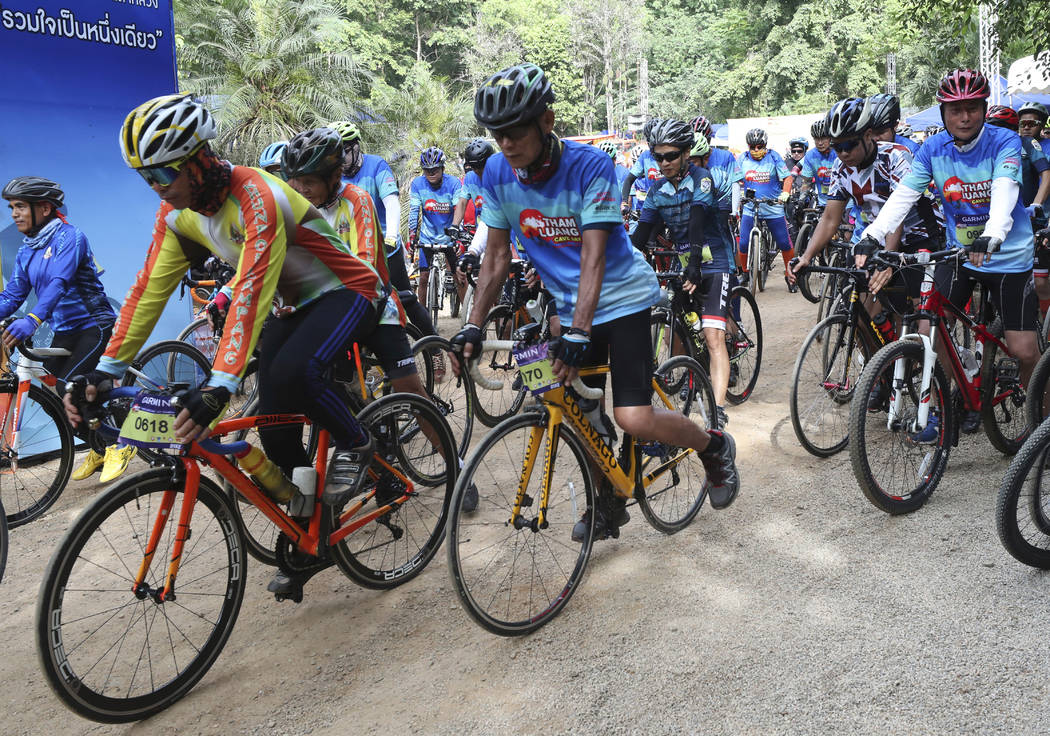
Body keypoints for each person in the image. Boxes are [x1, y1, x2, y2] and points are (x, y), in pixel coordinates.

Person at [65, 94, 390, 532]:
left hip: (347, 289)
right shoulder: (176, 215)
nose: (157, 186)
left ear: (199, 159)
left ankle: (357, 440)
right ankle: (315, 522)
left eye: (164, 171)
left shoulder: (258, 193)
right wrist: (106, 368)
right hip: (291, 305)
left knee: (298, 372)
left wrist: (219, 384)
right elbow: (147, 292)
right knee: (275, 429)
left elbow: (253, 289)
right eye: (146, 178)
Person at [453, 63, 739, 540]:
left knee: (632, 416)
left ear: (546, 121)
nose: (505, 143)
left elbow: (594, 257)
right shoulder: (500, 173)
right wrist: (473, 324)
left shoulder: (592, 167)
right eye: (496, 133)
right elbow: (497, 256)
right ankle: (608, 498)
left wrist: (579, 331)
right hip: (567, 305)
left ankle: (712, 446)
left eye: (515, 131)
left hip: (620, 298)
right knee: (562, 399)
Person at [281, 127, 479, 511]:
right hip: (326, 313)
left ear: (332, 176)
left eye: (308, 181)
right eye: (295, 181)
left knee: (409, 390)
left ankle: (457, 465)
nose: (300, 189)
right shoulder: (295, 206)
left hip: (374, 307)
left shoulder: (355, 200)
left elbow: (365, 263)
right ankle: (374, 464)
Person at [861, 69, 1040, 399]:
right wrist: (873, 234)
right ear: (943, 112)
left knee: (1025, 351)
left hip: (1008, 257)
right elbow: (904, 194)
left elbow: (1005, 187)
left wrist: (993, 233)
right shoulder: (932, 148)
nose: (965, 117)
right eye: (955, 110)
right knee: (930, 330)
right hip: (960, 255)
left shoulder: (1005, 141)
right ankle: (954, 389)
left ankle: (1039, 421)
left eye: (973, 107)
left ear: (984, 109)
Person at [0, 177, 125, 481]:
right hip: (65, 329)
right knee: (58, 390)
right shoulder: (27, 249)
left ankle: (119, 444)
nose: (14, 213)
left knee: (73, 386)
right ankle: (97, 446)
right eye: (11, 207)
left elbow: (58, 283)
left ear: (44, 208)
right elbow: (13, 294)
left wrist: (31, 320)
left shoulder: (71, 238)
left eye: (20, 206)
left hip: (93, 324)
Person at [631, 120, 733, 428]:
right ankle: (691, 371)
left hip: (714, 260)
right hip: (683, 261)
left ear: (687, 153)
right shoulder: (656, 190)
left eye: (671, 156)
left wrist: (694, 265)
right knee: (674, 327)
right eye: (658, 156)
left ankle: (717, 410)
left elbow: (697, 223)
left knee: (713, 337)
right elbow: (641, 232)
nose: (664, 163)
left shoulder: (702, 178)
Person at [327, 120, 436, 336]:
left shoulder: (376, 165)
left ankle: (434, 349)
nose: (341, 160)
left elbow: (391, 203)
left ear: (356, 147)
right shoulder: (332, 175)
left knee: (405, 298)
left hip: (384, 247)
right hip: (349, 251)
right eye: (335, 154)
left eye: (345, 152)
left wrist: (392, 236)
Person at [734, 128, 795, 283]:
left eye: (759, 146)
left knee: (784, 242)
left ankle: (790, 275)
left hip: (773, 206)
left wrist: (785, 193)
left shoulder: (773, 157)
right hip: (750, 206)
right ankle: (746, 273)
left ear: (765, 145)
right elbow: (734, 180)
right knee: (743, 243)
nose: (756, 150)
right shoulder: (743, 158)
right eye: (752, 147)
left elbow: (787, 178)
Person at [409, 147, 460, 318]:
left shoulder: (453, 183)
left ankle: (468, 316)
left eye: (435, 169)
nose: (431, 173)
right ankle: (422, 318)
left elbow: (458, 207)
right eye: (427, 170)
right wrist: (411, 235)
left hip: (448, 237)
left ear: (442, 168)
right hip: (427, 238)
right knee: (422, 278)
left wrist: (456, 233)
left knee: (459, 276)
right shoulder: (417, 184)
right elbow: (414, 210)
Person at [793, 119, 837, 207]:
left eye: (823, 138)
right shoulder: (810, 155)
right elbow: (807, 182)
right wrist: (801, 200)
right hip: (824, 202)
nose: (820, 143)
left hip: (846, 203)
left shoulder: (839, 151)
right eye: (817, 139)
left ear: (830, 137)